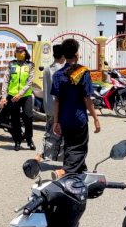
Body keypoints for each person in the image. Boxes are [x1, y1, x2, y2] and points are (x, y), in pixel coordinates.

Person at [51, 38, 101, 175]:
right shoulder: (83, 72)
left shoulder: (57, 75)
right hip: (79, 117)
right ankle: (64, 171)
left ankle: (78, 174)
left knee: (69, 146)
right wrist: (96, 118)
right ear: (77, 54)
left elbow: (57, 101)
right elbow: (87, 98)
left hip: (64, 118)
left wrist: (56, 122)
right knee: (79, 148)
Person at [0, 43, 35, 151]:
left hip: (25, 96)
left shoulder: (30, 65)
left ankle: (29, 139)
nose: (19, 53)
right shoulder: (11, 64)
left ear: (25, 53)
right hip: (12, 96)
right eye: (17, 51)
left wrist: (20, 94)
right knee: (15, 120)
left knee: (28, 117)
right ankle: (17, 141)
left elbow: (29, 82)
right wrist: (4, 96)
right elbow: (6, 80)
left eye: (21, 51)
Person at [37, 44, 65, 162]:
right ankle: (63, 159)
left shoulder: (47, 69)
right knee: (62, 134)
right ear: (63, 55)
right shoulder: (61, 71)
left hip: (48, 106)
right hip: (58, 108)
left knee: (49, 132)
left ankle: (40, 154)